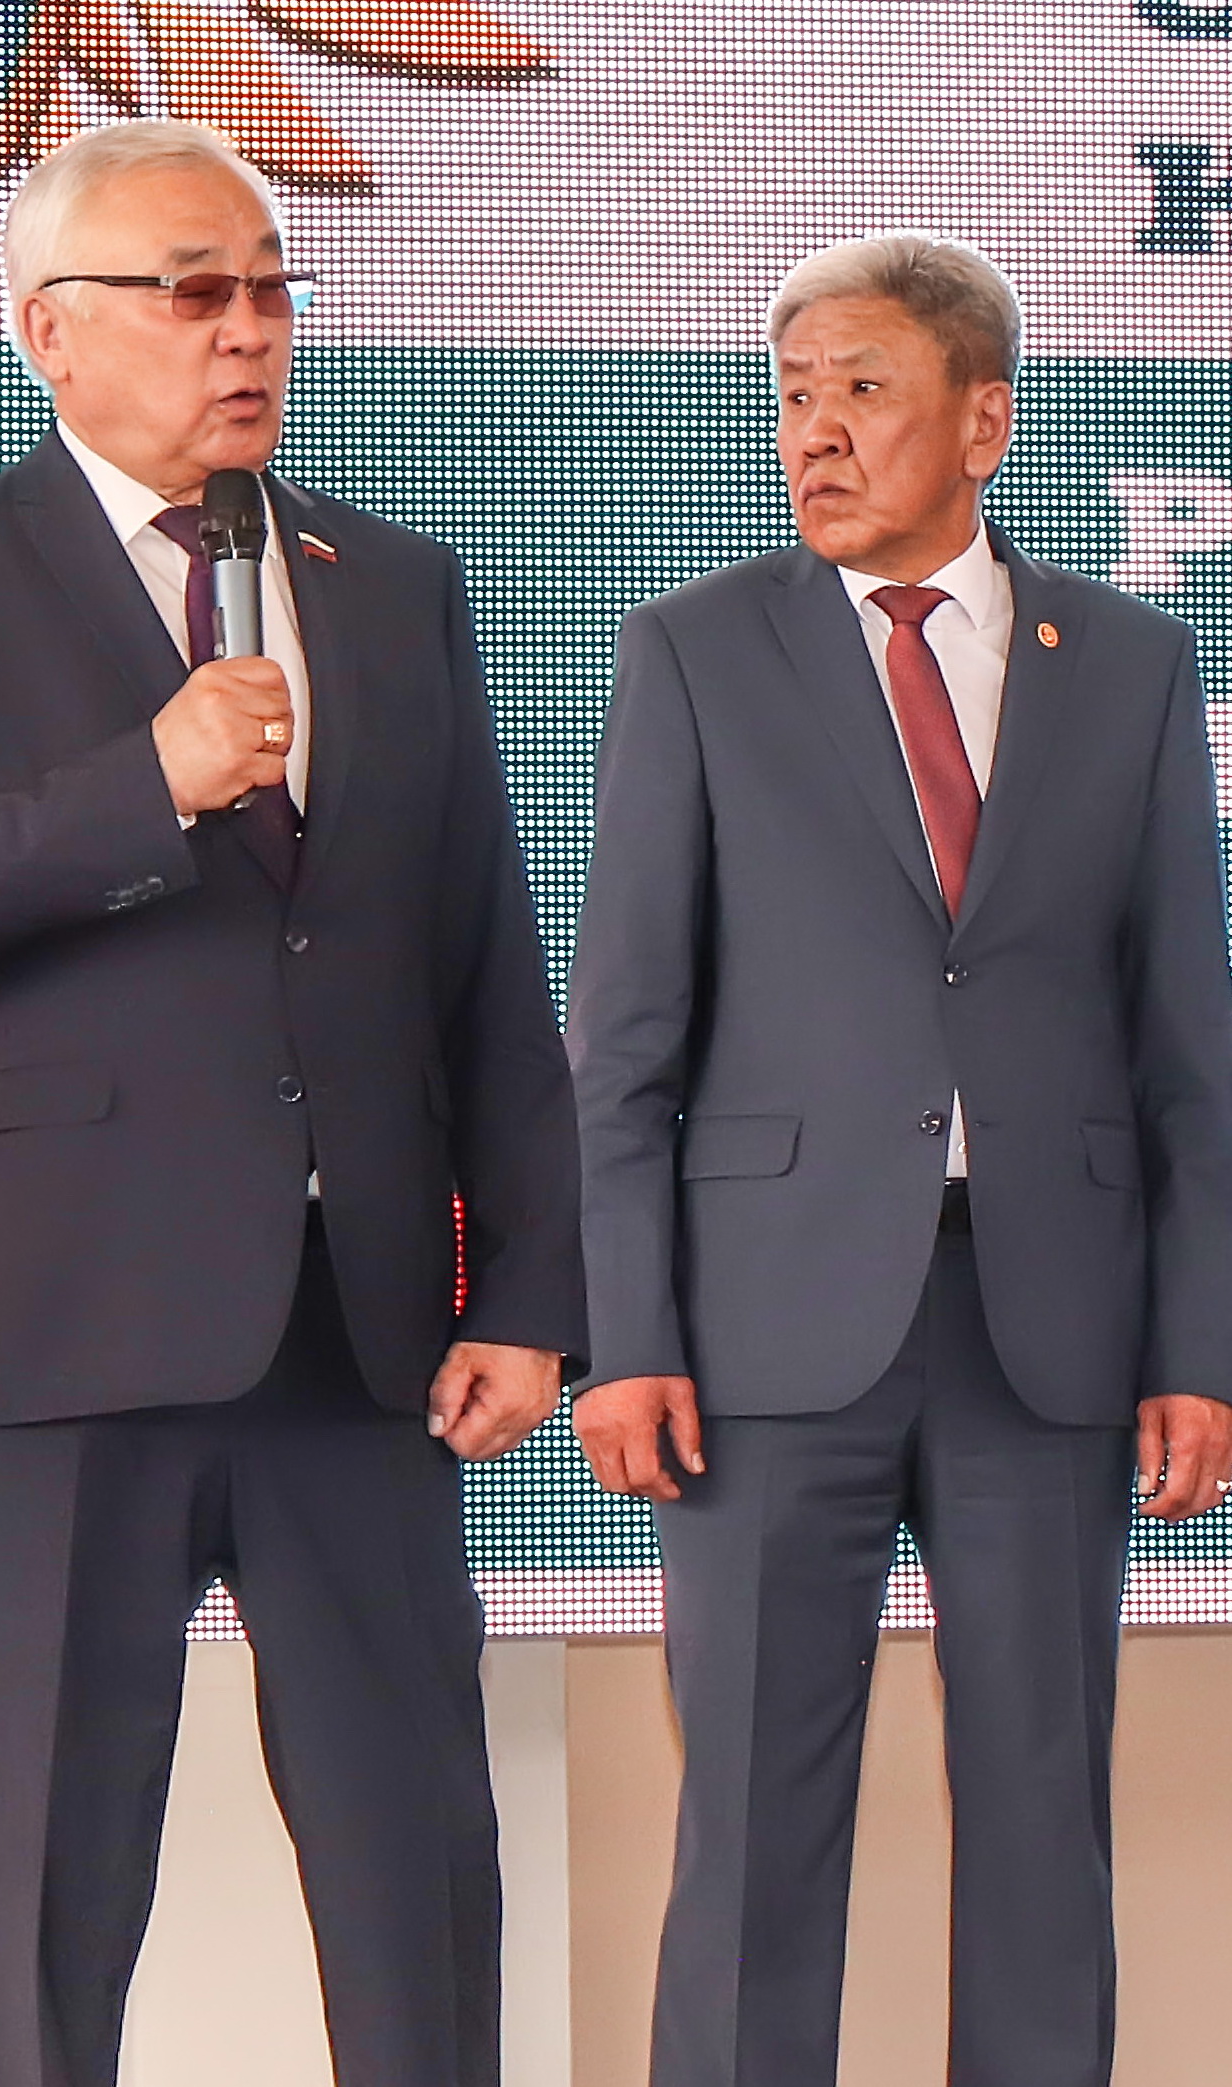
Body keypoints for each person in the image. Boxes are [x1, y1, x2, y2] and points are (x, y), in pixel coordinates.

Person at [0, 118, 585, 2087]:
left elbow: (484, 961)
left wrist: (534, 1288)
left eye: (268, 291)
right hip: (60, 1345)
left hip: (361, 1343)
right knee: (45, 1901)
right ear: (50, 331)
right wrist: (142, 785)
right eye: (194, 292)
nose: (248, 332)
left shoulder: (391, 583)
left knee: (421, 1884)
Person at [568, 231, 1232, 2087]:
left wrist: (1195, 1345)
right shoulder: (696, 649)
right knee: (751, 1838)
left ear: (983, 420)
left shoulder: (1127, 663)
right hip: (763, 1338)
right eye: (794, 395)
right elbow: (622, 1038)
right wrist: (626, 1333)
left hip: (1049, 1331)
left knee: (1042, 1822)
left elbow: (1187, 1047)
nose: (817, 432)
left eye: (862, 388)